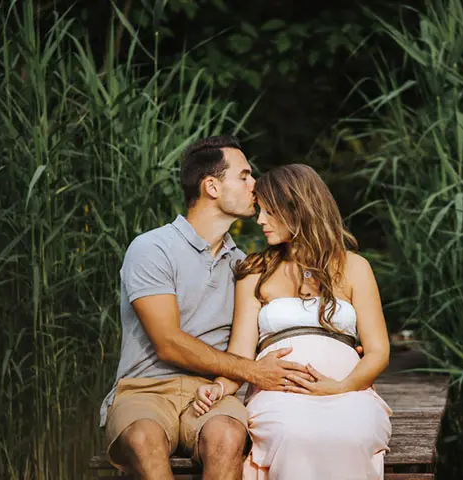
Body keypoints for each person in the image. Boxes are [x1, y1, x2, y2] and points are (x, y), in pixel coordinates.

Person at [99, 136, 316, 480]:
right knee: (143, 440)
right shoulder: (152, 248)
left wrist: (343, 341)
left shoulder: (244, 265)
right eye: (244, 176)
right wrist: (251, 371)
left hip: (214, 391)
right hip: (146, 390)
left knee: (228, 437)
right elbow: (168, 342)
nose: (254, 184)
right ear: (212, 186)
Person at [192, 164, 393, 479]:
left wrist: (340, 386)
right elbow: (241, 355)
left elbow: (379, 351)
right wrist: (219, 387)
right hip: (281, 396)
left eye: (269, 212)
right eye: (260, 210)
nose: (259, 220)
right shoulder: (255, 272)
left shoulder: (354, 267)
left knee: (351, 434)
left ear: (298, 208)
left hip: (349, 392)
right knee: (295, 434)